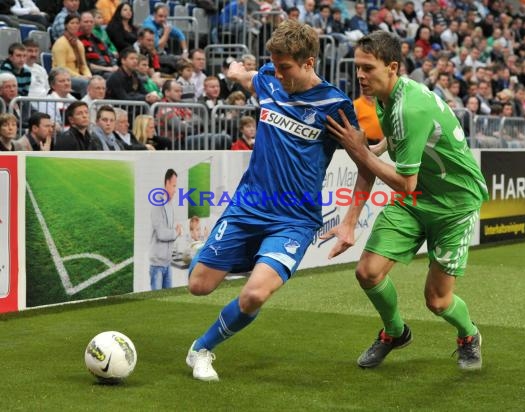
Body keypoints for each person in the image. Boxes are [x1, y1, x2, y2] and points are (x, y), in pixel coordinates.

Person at [185, 19, 359, 382]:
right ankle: (209, 252)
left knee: (254, 295)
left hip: (295, 220)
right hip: (248, 207)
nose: (278, 75)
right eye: (275, 66)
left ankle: (201, 349)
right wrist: (235, 72)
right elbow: (252, 79)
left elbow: (365, 162)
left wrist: (349, 221)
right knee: (198, 286)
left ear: (309, 62)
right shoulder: (268, 79)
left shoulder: (334, 105)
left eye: (286, 68)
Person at [324, 30, 489, 371]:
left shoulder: (408, 108)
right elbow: (389, 147)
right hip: (416, 198)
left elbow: (403, 181)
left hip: (454, 204)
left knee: (438, 301)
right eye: (358, 67)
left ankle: (468, 335)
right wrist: (373, 153)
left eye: (368, 68)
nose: (360, 75)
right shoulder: (387, 99)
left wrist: (361, 153)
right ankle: (395, 333)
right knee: (368, 272)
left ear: (392, 67)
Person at [150, 169, 183, 290]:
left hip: (167, 264)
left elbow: (169, 230)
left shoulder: (170, 206)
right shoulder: (157, 204)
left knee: (168, 304)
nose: (175, 190)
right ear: (167, 183)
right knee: (157, 305)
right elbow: (161, 234)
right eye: (174, 186)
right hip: (157, 266)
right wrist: (176, 232)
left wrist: (176, 230)